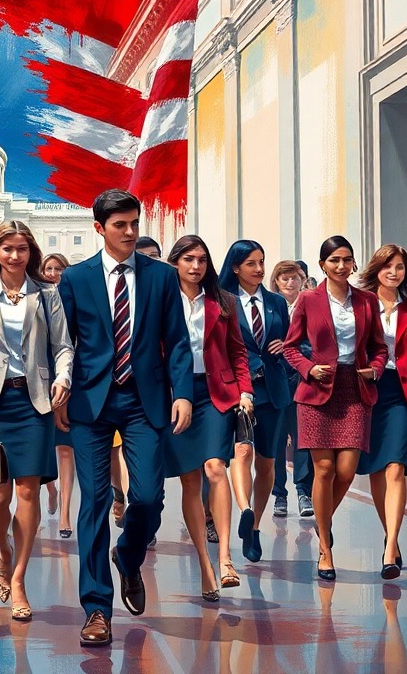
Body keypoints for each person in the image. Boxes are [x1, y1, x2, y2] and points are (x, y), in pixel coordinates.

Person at [56, 189, 193, 647]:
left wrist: (183, 394)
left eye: (135, 223)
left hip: (144, 400)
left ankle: (129, 557)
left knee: (149, 497)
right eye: (120, 225)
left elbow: (177, 341)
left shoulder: (162, 276)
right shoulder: (75, 278)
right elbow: (64, 342)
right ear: (100, 228)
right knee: (94, 502)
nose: (131, 232)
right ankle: (97, 608)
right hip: (90, 402)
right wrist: (60, 389)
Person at [0, 221, 74, 621]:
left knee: (28, 492)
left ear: (30, 252)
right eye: (7, 249)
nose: (15, 256)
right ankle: (4, 550)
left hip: (35, 401)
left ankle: (18, 579)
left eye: (21, 249)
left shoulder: (47, 294)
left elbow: (63, 345)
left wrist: (63, 378)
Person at [282, 235, 387, 581]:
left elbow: (379, 347)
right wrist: (308, 368)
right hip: (316, 390)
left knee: (346, 469)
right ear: (322, 265)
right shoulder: (308, 299)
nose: (341, 266)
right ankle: (325, 549)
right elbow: (291, 347)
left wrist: (375, 368)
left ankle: (322, 522)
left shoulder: (367, 300)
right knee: (324, 469)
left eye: (346, 259)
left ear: (353, 263)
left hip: (355, 387)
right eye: (334, 260)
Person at [162, 236, 252, 601]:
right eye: (188, 259)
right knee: (190, 480)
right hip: (175, 396)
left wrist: (245, 391)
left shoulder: (223, 300)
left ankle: (226, 558)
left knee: (216, 468)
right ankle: (204, 563)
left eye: (201, 259)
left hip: (217, 393)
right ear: (175, 263)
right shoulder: (162, 300)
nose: (196, 266)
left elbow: (238, 351)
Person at [356, 245, 407, 577]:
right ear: (377, 269)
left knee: (395, 468)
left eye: (400, 267)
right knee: (376, 469)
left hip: (403, 393)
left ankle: (390, 550)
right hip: (368, 390)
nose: (394, 272)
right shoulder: (360, 303)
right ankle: (390, 534)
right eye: (388, 266)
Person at [219, 240, 293, 563]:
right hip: (240, 391)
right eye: (251, 263)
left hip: (273, 391)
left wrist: (285, 347)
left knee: (266, 464)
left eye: (262, 262)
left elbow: (294, 343)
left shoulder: (277, 303)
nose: (259, 269)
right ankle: (244, 508)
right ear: (236, 267)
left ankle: (254, 526)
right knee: (242, 452)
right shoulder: (224, 300)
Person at [269, 260, 314, 517]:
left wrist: (288, 347)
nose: (289, 282)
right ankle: (279, 494)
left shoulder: (310, 305)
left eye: (294, 278)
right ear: (276, 281)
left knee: (302, 439)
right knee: (276, 440)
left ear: (302, 280)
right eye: (284, 278)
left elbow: (313, 343)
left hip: (302, 379)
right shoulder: (269, 306)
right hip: (276, 380)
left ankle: (303, 491)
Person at [41, 253, 76, 536]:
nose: (53, 273)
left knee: (65, 449)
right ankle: (50, 488)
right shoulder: (37, 297)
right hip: (39, 380)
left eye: (58, 268)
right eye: (48, 268)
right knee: (42, 447)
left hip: (67, 378)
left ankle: (65, 513)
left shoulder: (73, 299)